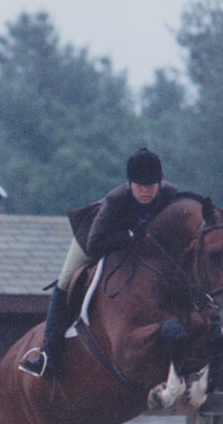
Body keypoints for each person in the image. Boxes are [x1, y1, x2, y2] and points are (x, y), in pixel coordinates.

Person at [19, 148, 179, 377]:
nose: (145, 191)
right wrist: (132, 236)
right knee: (65, 281)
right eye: (139, 185)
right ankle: (47, 355)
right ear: (130, 183)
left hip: (141, 250)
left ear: (160, 183)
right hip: (94, 237)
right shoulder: (116, 200)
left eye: (150, 185)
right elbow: (96, 243)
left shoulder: (170, 195)